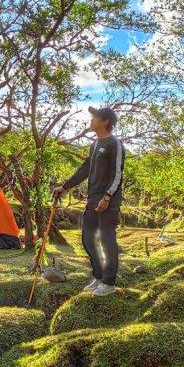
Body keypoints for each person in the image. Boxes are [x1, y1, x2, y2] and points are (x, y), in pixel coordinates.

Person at [52, 106, 125, 297]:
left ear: (105, 121)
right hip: (92, 198)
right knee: (87, 239)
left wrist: (107, 197)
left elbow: (117, 174)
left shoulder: (114, 144)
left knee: (107, 240)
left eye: (95, 117)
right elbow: (84, 169)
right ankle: (99, 276)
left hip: (108, 200)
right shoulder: (95, 145)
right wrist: (64, 186)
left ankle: (109, 282)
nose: (91, 120)